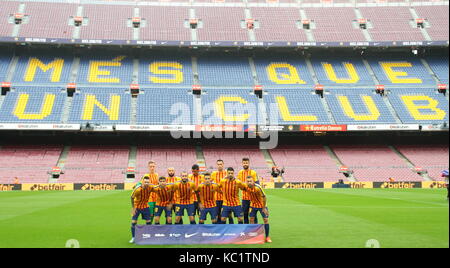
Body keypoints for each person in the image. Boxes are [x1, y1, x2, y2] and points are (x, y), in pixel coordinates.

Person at [244, 176, 272, 243]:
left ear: (253, 181)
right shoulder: (245, 187)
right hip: (253, 205)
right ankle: (253, 236)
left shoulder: (258, 187)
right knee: (251, 219)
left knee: (265, 220)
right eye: (248, 181)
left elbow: (264, 197)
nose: (249, 182)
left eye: (250, 181)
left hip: (261, 205)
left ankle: (267, 237)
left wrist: (264, 207)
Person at [129, 177, 153, 244]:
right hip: (137, 207)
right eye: (145, 182)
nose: (146, 183)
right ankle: (134, 237)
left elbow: (156, 188)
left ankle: (148, 236)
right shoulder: (138, 190)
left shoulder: (150, 187)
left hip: (145, 206)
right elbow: (132, 197)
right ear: (142, 182)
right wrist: (133, 208)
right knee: (134, 222)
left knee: (148, 221)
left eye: (148, 182)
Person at [212, 159, 234, 224]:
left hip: (226, 199)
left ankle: (231, 229)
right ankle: (220, 230)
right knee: (218, 214)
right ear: (216, 165)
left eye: (221, 164)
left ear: (223, 165)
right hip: (217, 198)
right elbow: (211, 184)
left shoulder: (227, 173)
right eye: (218, 164)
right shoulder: (213, 174)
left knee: (229, 215)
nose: (220, 166)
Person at [238, 158, 259, 224]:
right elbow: (239, 184)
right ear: (242, 163)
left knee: (253, 215)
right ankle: (246, 230)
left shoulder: (253, 172)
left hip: (253, 198)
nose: (245, 164)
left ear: (249, 163)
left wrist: (246, 185)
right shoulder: (240, 173)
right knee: (245, 215)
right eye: (244, 163)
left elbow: (257, 184)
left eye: (246, 163)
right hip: (244, 198)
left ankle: (255, 230)